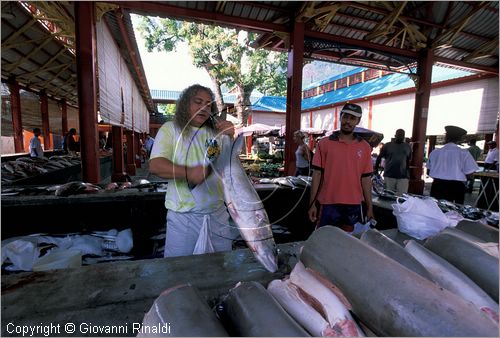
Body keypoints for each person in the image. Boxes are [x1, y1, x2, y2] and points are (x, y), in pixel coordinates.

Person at [149, 84, 238, 257]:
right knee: (179, 270)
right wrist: (189, 172)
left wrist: (229, 137)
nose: (203, 108)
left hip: (218, 215)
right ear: (185, 104)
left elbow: (228, 165)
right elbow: (155, 165)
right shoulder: (171, 129)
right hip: (184, 217)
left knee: (220, 266)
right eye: (198, 102)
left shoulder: (216, 134)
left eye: (208, 104)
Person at [308, 103, 375, 232]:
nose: (348, 121)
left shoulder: (365, 147)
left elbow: (366, 179)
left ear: (358, 121)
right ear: (340, 117)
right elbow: (317, 175)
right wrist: (312, 204)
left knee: (349, 243)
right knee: (324, 240)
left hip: (354, 205)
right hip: (327, 203)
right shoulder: (324, 144)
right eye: (345, 117)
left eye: (352, 118)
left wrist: (370, 207)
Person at [427, 125, 479, 204]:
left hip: (437, 186)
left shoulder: (435, 152)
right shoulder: (464, 153)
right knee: (454, 213)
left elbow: (428, 171)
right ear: (459, 139)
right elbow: (470, 174)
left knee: (436, 210)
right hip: (456, 187)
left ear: (446, 137)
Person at [374, 129, 412, 195]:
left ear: (404, 137)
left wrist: (408, 174)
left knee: (402, 197)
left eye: (402, 135)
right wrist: (376, 169)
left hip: (403, 177)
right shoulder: (387, 145)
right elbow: (379, 157)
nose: (401, 137)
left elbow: (408, 161)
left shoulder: (407, 147)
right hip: (389, 176)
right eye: (399, 135)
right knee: (388, 196)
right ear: (395, 135)